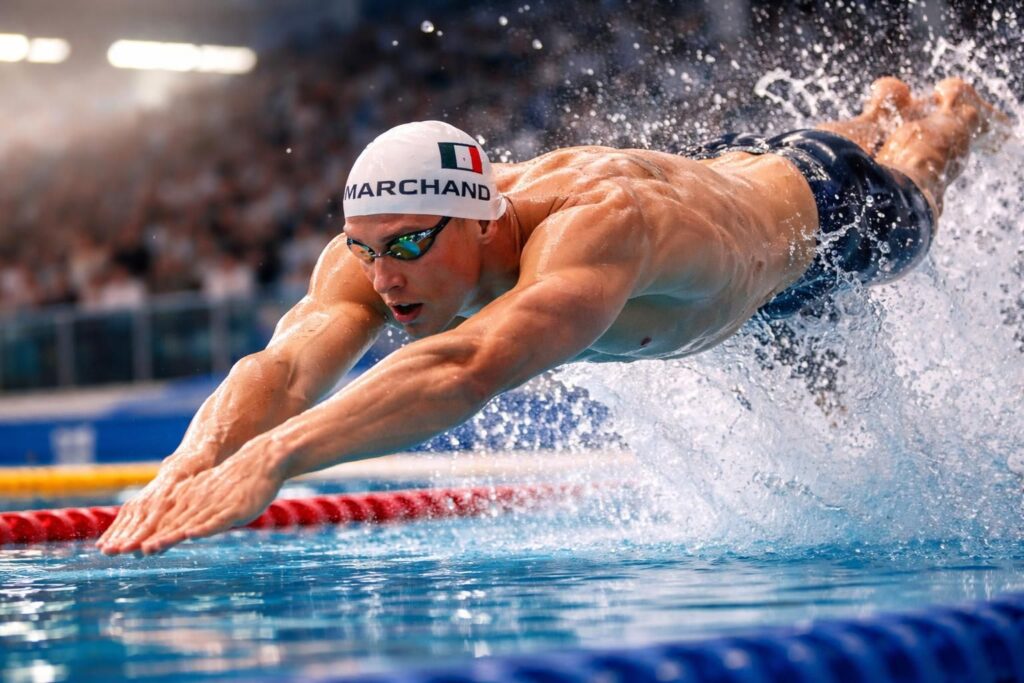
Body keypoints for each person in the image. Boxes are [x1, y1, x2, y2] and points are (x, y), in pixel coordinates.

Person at [98, 77, 1005, 556]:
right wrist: (192, 459)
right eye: (366, 250)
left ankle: (942, 114)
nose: (383, 278)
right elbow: (284, 370)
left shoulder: (594, 229)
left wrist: (273, 456)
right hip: (738, 247)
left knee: (920, 185)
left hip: (821, 219)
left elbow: (466, 367)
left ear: (486, 216)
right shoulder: (375, 251)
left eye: (409, 247)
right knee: (844, 455)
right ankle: (873, 106)